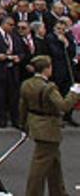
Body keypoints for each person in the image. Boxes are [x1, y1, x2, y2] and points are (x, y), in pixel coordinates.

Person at [19, 54, 80, 195]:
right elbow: (63, 106)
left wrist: (24, 126)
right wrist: (74, 93)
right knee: (39, 166)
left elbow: (22, 107)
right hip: (49, 128)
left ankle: (58, 192)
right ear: (46, 69)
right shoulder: (49, 88)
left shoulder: (26, 84)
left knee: (54, 164)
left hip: (35, 124)